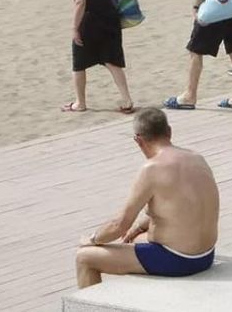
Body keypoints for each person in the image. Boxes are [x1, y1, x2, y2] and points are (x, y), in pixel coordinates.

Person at [74, 108, 219, 288]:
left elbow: (119, 225)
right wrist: (140, 227)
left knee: (85, 257)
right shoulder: (197, 158)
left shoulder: (151, 169)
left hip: (178, 260)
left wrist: (93, 239)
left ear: (138, 140)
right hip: (205, 255)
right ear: (169, 131)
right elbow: (181, 207)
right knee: (133, 239)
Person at [63, 0, 134, 113]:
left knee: (79, 63)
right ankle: (127, 99)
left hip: (90, 20)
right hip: (110, 16)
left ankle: (80, 103)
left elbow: (80, 2)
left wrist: (74, 28)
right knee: (112, 60)